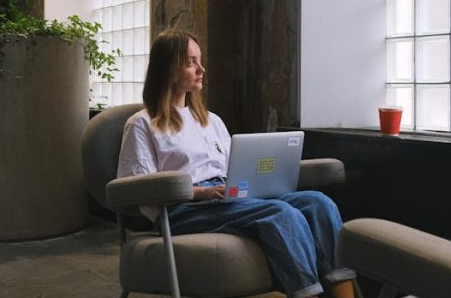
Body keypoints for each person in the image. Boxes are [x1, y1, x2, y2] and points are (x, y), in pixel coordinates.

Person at [117, 30, 356, 298]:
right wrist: (198, 192)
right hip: (183, 210)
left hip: (227, 197)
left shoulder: (211, 120)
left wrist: (257, 181)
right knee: (281, 213)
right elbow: (135, 189)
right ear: (168, 69)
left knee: (318, 203)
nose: (201, 69)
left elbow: (237, 168)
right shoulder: (142, 123)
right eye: (191, 62)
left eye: (200, 60)